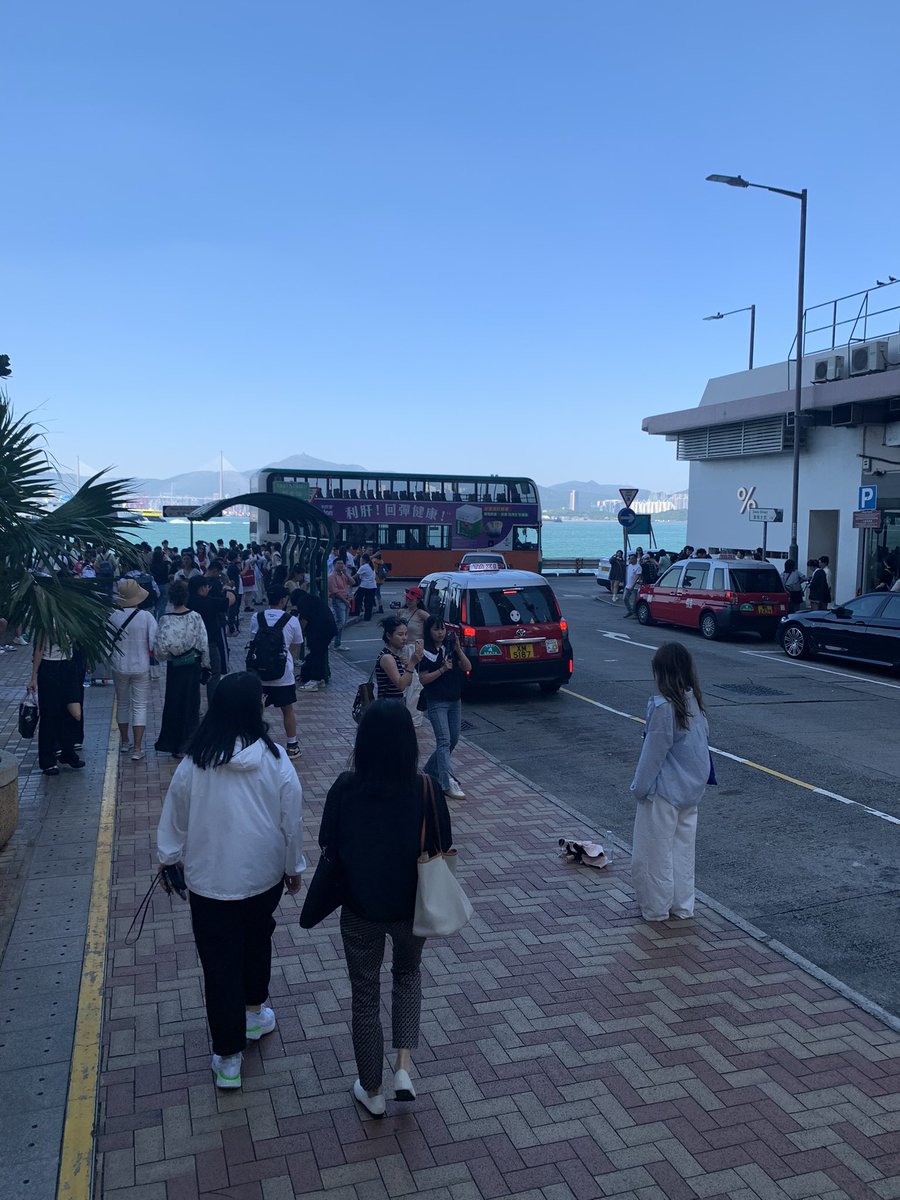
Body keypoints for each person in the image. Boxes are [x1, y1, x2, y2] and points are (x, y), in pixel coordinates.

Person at [156, 672, 304, 1090]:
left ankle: (228, 1059)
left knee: (218, 963)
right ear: (253, 709)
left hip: (209, 882)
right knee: (258, 939)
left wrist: (168, 860)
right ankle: (255, 1014)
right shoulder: (276, 759)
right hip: (263, 876)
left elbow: (174, 818)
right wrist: (294, 867)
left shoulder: (195, 761)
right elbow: (290, 820)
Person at [319, 700, 452, 1116]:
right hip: (411, 907)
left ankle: (372, 1090)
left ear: (364, 743)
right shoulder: (425, 787)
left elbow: (328, 843)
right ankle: (403, 1069)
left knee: (364, 993)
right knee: (408, 976)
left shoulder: (345, 787)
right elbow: (443, 844)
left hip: (360, 908)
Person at [630, 643, 709, 922]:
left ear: (661, 673)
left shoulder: (665, 708)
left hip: (664, 792)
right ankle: (682, 905)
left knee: (654, 852)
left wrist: (639, 788)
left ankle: (656, 909)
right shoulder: (693, 702)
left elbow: (653, 754)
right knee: (682, 852)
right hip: (691, 792)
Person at [155, 580, 210, 757]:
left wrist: (168, 656)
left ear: (171, 598)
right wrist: (205, 666)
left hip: (174, 666)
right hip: (192, 665)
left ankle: (173, 743)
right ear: (186, 597)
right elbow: (203, 643)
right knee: (192, 703)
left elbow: (160, 649)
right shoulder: (196, 617)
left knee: (173, 703)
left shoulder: (165, 619)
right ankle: (189, 743)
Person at [247, 587, 304, 759]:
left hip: (258, 674)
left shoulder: (257, 617)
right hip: (283, 675)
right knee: (287, 709)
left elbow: (252, 640)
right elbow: (296, 645)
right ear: (284, 599)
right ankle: (292, 746)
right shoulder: (292, 620)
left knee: (257, 708)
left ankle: (253, 743)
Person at [418, 616, 471, 800]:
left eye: (442, 629)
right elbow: (423, 679)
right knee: (443, 741)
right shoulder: (425, 653)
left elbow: (467, 666)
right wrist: (442, 669)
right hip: (437, 701)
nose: (440, 633)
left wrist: (457, 648)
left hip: (455, 700)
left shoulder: (450, 649)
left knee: (453, 740)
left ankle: (431, 769)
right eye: (435, 629)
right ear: (428, 631)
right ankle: (447, 782)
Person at [109, 579, 158, 763]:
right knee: (140, 705)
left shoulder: (113, 616)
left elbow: (106, 645)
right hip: (141, 665)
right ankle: (137, 748)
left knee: (122, 703)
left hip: (119, 665)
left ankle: (124, 741)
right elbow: (154, 642)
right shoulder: (146, 617)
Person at [30, 637, 85, 776]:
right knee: (49, 715)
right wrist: (33, 677)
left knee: (74, 714)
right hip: (49, 668)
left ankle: (67, 752)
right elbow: (39, 648)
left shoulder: (73, 618)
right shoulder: (46, 618)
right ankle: (48, 761)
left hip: (68, 664)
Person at [188, 575, 230, 702]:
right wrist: (229, 589)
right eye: (207, 587)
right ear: (202, 588)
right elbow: (230, 600)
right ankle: (213, 704)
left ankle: (193, 708)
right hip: (209, 643)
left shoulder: (188, 602)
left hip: (191, 645)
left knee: (194, 676)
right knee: (214, 674)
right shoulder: (210, 602)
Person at [291, 588, 337, 691]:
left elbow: (304, 620)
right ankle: (319, 679)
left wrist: (299, 634)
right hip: (327, 628)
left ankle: (314, 680)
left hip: (320, 631)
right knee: (318, 653)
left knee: (316, 654)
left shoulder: (302, 601)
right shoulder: (312, 599)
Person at [376, 617, 423, 700]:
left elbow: (408, 683)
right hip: (388, 705)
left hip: (397, 702)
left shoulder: (395, 656)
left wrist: (408, 665)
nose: (404, 638)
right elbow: (400, 685)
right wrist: (412, 663)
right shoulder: (387, 657)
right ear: (388, 636)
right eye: (400, 634)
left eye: (406, 634)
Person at [399, 587, 428, 722]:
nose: (409, 600)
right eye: (407, 598)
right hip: (402, 649)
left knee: (414, 684)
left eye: (412, 599)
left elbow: (434, 624)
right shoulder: (401, 612)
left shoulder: (421, 614)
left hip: (415, 649)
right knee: (401, 681)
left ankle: (414, 717)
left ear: (418, 600)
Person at [328, 559, 352, 650]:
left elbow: (352, 582)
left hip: (345, 600)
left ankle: (337, 644)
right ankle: (329, 639)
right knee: (340, 622)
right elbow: (335, 592)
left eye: (342, 563)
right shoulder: (332, 576)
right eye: (339, 563)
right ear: (334, 565)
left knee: (343, 622)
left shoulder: (343, 575)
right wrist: (345, 601)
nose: (341, 565)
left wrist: (346, 573)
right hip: (339, 601)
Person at [355, 554, 378, 621]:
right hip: (373, 586)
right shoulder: (371, 565)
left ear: (364, 559)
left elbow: (356, 576)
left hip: (364, 586)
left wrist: (347, 579)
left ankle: (356, 612)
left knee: (358, 599)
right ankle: (367, 617)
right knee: (369, 602)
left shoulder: (364, 566)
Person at [150, 547, 170, 620]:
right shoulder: (165, 565)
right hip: (164, 585)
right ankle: (161, 619)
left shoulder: (152, 566)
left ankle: (154, 619)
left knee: (155, 604)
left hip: (155, 586)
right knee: (163, 605)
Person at [622, 554, 642, 618]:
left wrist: (633, 586)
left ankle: (634, 613)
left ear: (635, 559)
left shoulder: (638, 567)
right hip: (628, 585)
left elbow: (638, 577)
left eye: (632, 558)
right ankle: (630, 611)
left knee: (634, 601)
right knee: (625, 598)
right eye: (630, 558)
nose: (630, 560)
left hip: (635, 587)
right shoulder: (629, 566)